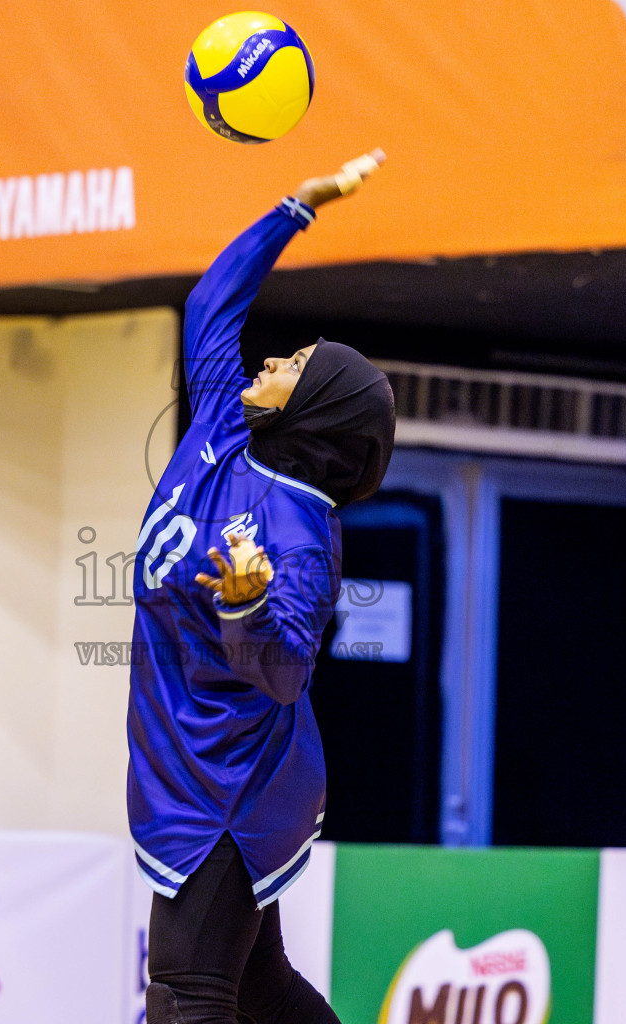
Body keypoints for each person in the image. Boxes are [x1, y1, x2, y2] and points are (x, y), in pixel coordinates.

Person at [127, 150, 394, 1024]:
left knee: (185, 991)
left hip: (237, 786)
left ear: (310, 405)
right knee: (257, 989)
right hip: (190, 761)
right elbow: (210, 308)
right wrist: (292, 210)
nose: (272, 357)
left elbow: (281, 673)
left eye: (295, 363)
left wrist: (244, 605)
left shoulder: (303, 530)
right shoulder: (220, 423)